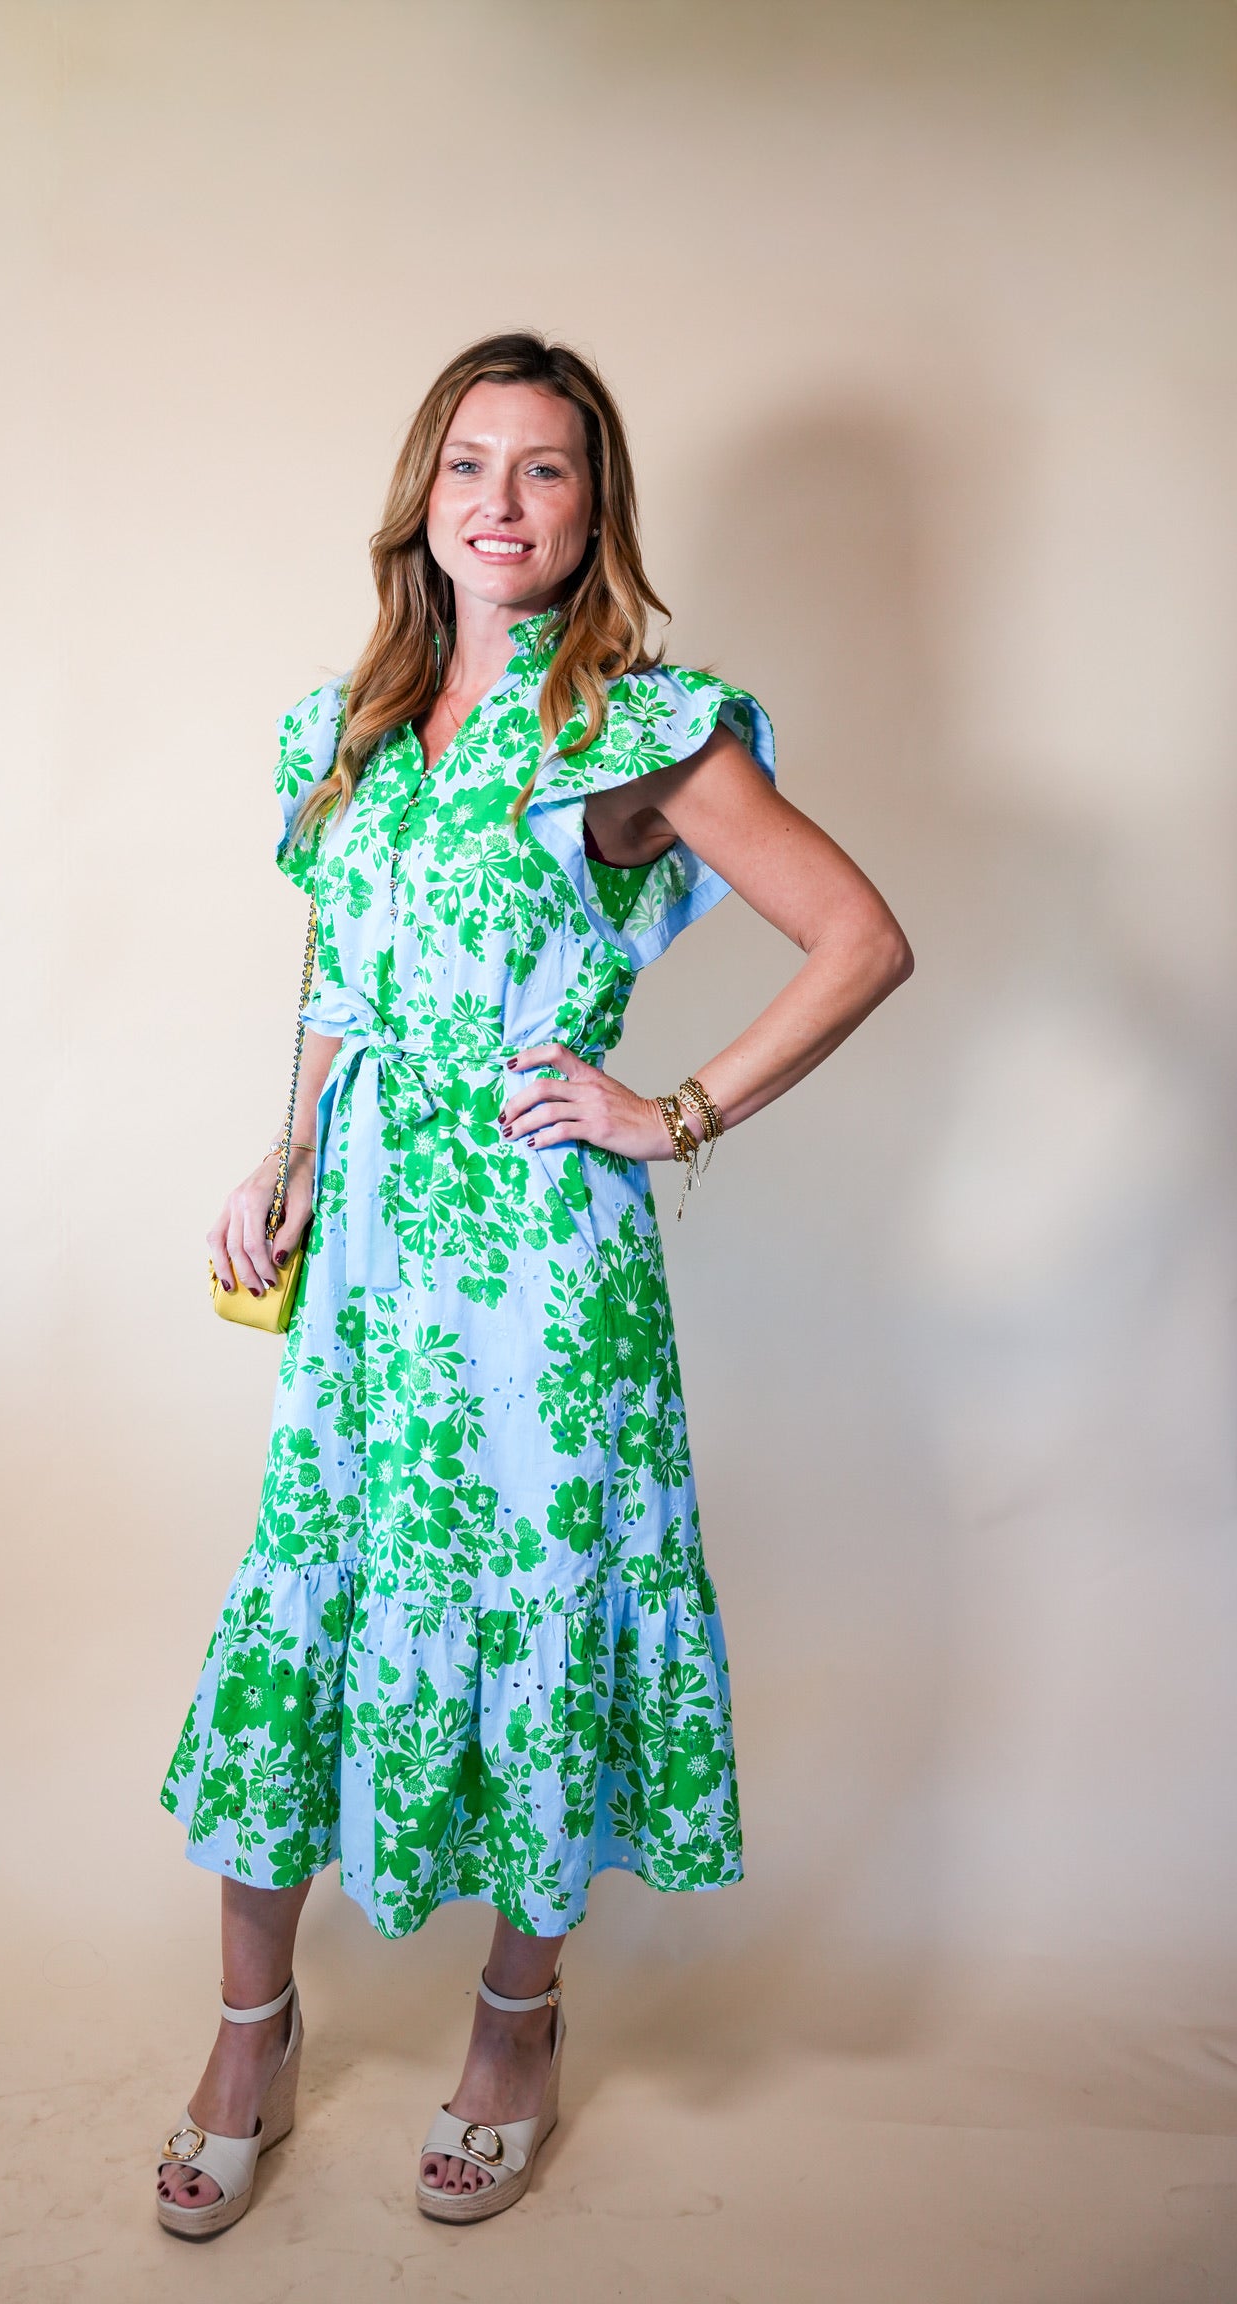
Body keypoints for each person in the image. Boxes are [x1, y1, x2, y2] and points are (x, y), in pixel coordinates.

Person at [155, 331, 913, 2237]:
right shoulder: (345, 735)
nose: (502, 501)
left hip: (542, 1278)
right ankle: (249, 2032)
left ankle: (517, 2027)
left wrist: (672, 1112)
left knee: (543, 1609)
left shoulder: (639, 731)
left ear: (594, 511)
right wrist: (287, 1154)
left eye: (546, 468)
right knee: (313, 1592)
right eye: (470, 464)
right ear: (423, 496)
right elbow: (340, 987)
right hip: (369, 1268)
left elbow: (858, 937)